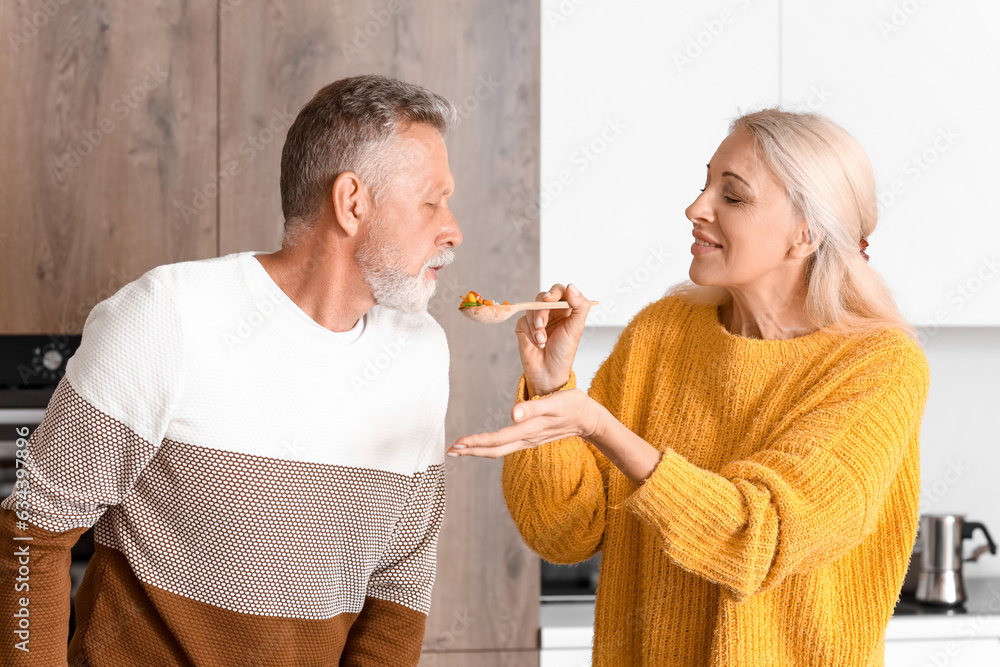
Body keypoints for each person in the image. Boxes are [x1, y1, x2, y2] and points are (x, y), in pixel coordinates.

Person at [0, 74, 462, 666]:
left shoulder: (421, 353)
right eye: (432, 201)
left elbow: (400, 583)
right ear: (352, 202)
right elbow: (32, 532)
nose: (452, 230)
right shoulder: (169, 315)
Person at [449, 108, 930, 666]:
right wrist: (552, 387)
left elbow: (760, 539)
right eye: (705, 185)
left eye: (733, 196)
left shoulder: (877, 366)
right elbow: (564, 533)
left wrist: (598, 426)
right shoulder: (663, 332)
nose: (696, 208)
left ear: (806, 233)